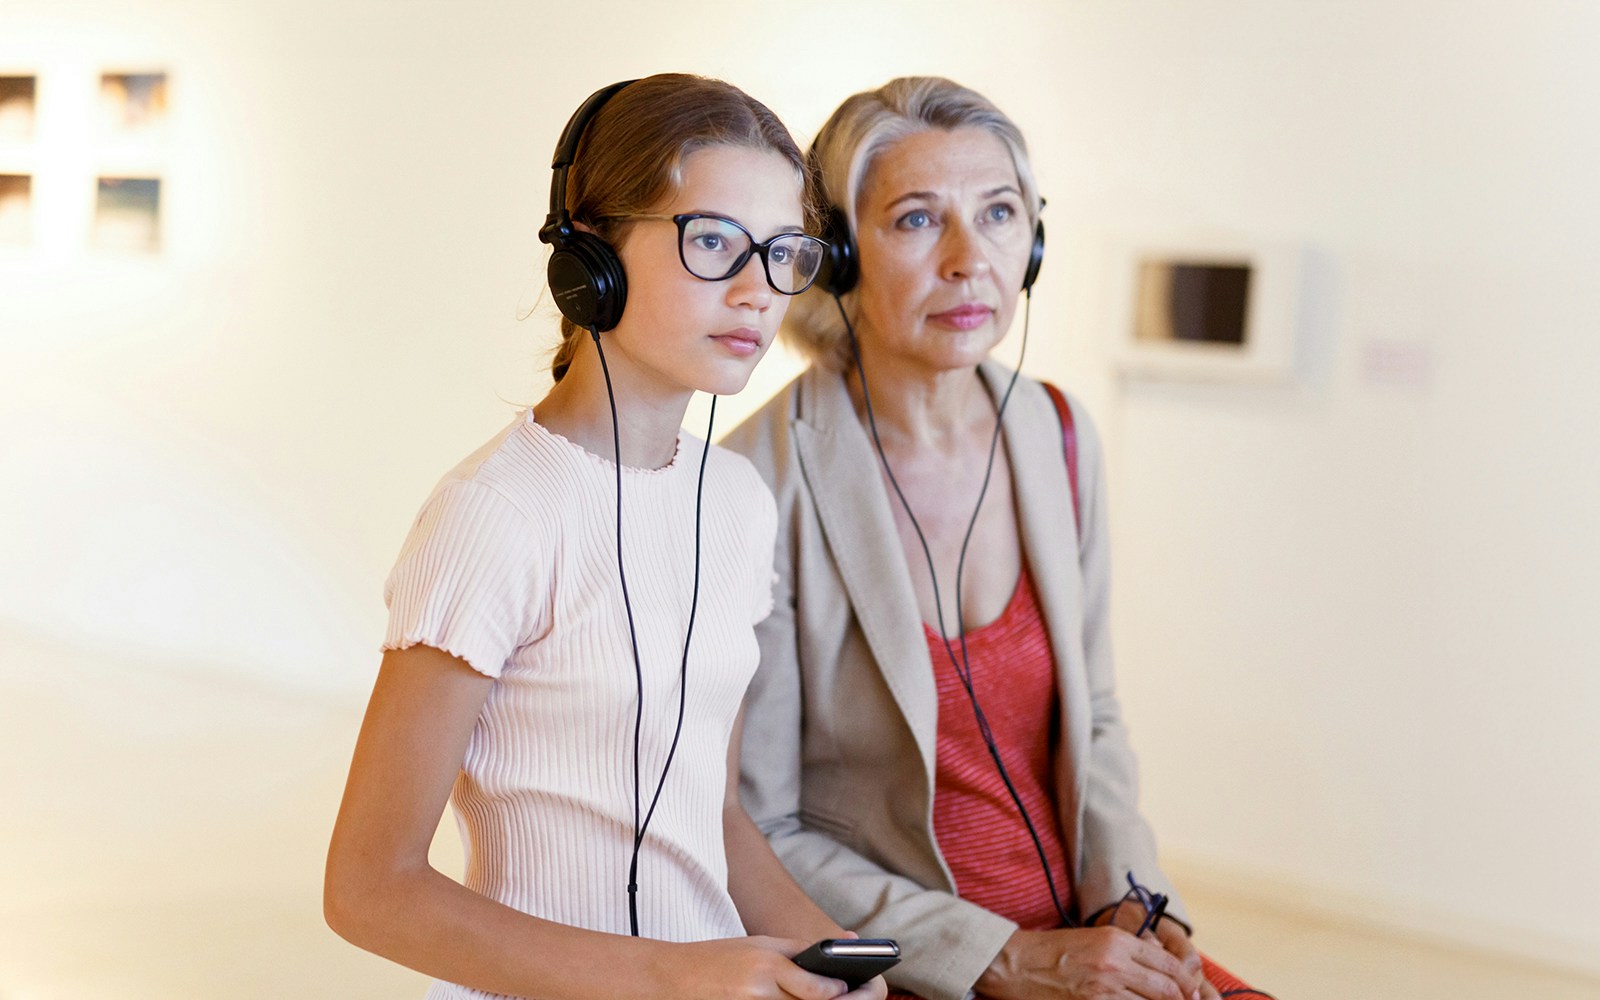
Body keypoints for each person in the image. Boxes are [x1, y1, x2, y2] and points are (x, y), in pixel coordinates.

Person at [324, 74, 887, 1000]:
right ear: (591, 259)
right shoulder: (494, 514)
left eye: (785, 252)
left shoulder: (739, 499)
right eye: (713, 242)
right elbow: (369, 889)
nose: (758, 292)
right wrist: (671, 975)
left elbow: (711, 813)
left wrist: (832, 951)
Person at [726, 77, 1264, 1000]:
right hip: (915, 962)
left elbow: (1094, 719)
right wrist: (997, 958)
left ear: (1035, 243)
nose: (972, 260)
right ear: (839, 257)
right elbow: (760, 831)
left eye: (1001, 213)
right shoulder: (753, 484)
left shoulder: (1059, 433)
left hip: (1083, 936)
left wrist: (1135, 902)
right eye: (917, 220)